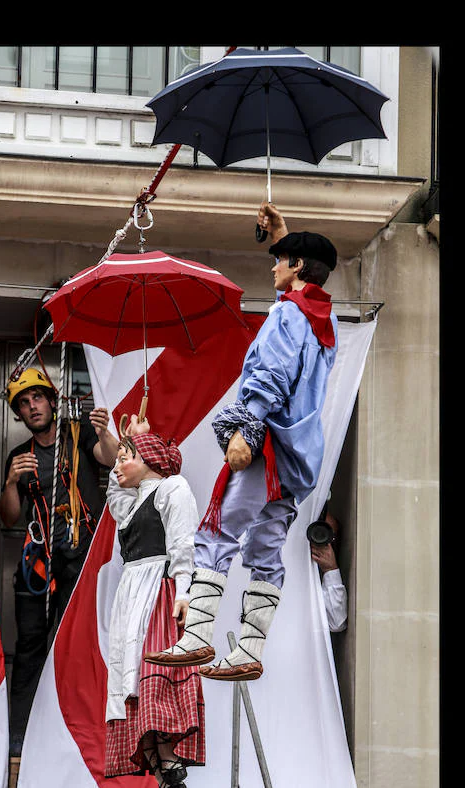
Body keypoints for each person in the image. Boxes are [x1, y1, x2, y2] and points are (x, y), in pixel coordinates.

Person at [145, 203, 339, 681]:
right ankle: (250, 649)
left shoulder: (288, 316)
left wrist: (246, 429)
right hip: (299, 459)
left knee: (218, 532)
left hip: (266, 450)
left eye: (280, 260)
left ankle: (197, 638)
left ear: (296, 268)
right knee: (266, 550)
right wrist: (284, 238)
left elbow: (271, 373)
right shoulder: (323, 321)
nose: (272, 266)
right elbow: (297, 300)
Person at [0, 367, 118, 756]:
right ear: (19, 414)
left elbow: (111, 458)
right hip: (40, 565)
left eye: (37, 398)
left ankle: (72, 731)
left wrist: (103, 432)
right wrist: (11, 484)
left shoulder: (78, 435)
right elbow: (8, 517)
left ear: (52, 401)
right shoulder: (20, 457)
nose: (32, 407)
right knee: (31, 645)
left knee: (74, 646)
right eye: (24, 404)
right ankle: (19, 736)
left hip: (81, 563)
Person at [104, 418, 204, 788]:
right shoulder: (131, 504)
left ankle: (164, 752)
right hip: (132, 594)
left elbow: (182, 543)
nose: (117, 466)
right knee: (130, 674)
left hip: (157, 594)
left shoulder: (171, 488)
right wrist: (134, 435)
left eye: (124, 457)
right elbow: (117, 496)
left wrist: (183, 592)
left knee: (153, 669)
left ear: (148, 458)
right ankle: (158, 759)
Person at [309, 509, 348, 633]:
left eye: (326, 535)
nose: (319, 538)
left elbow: (336, 623)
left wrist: (330, 569)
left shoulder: (322, 576)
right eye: (317, 531)